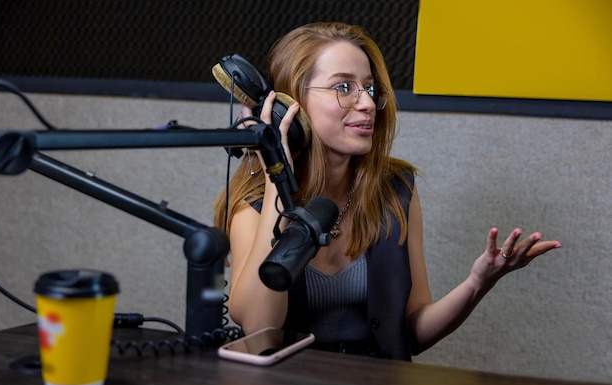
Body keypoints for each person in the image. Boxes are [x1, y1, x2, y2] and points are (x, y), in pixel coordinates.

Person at [213, 22, 561, 360]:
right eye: (344, 87)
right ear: (289, 104)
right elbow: (259, 330)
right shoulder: (254, 204)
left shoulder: (396, 190)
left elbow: (411, 332)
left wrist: (477, 283)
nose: (366, 103)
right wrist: (278, 173)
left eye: (369, 88)